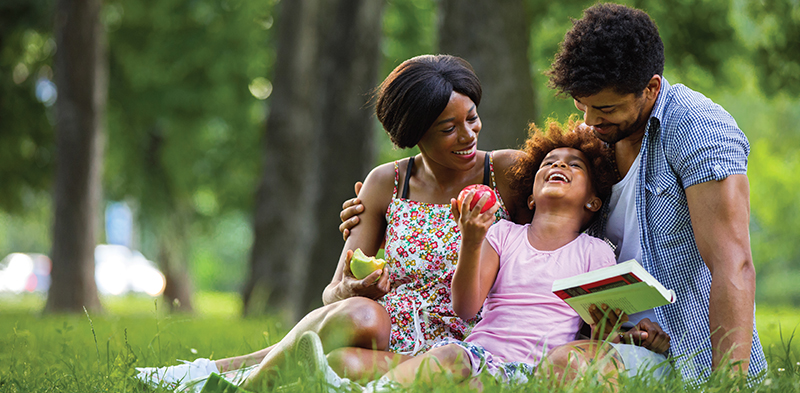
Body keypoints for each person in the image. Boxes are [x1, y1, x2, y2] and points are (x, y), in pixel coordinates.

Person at [340, 3, 768, 384]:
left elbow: (735, 263)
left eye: (605, 109)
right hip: (591, 338)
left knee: (564, 366)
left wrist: (728, 381)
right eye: (582, 105)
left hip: (675, 346)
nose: (589, 121)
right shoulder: (594, 142)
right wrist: (378, 210)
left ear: (651, 90)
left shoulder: (699, 129)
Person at [136, 54, 531, 392]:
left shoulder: (506, 173)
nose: (468, 135)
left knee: (334, 358)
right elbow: (333, 293)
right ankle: (215, 374)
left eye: (472, 119)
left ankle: (219, 374)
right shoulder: (387, 182)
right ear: (415, 132)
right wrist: (355, 286)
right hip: (387, 330)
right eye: (448, 128)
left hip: (469, 342)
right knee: (360, 314)